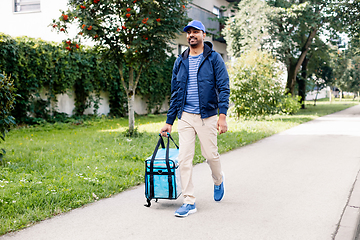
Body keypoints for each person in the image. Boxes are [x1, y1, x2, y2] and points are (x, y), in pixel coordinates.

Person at [160, 20, 230, 217]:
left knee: (210, 155)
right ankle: (189, 201)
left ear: (203, 35)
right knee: (184, 159)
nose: (191, 35)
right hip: (185, 116)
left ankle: (218, 180)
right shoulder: (180, 61)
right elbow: (176, 93)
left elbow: (224, 87)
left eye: (195, 32)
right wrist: (169, 121)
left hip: (207, 116)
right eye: (188, 32)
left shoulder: (214, 58)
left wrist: (222, 116)